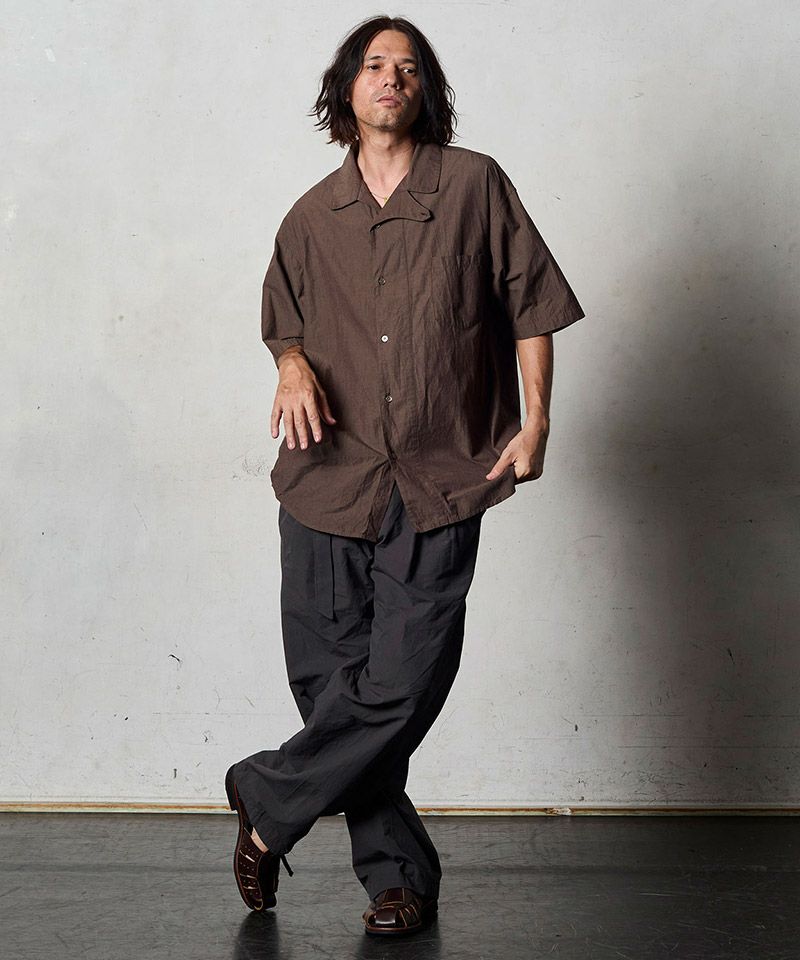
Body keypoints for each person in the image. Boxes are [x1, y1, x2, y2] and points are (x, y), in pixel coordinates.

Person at [225, 14, 585, 937]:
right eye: (376, 65)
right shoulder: (311, 215)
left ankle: (267, 797)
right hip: (326, 477)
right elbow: (282, 322)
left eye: (410, 67)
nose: (393, 77)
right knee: (332, 687)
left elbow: (531, 306)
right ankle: (398, 882)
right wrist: (290, 364)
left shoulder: (473, 184)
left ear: (427, 91)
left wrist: (537, 419)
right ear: (346, 88)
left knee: (403, 682)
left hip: (440, 472)